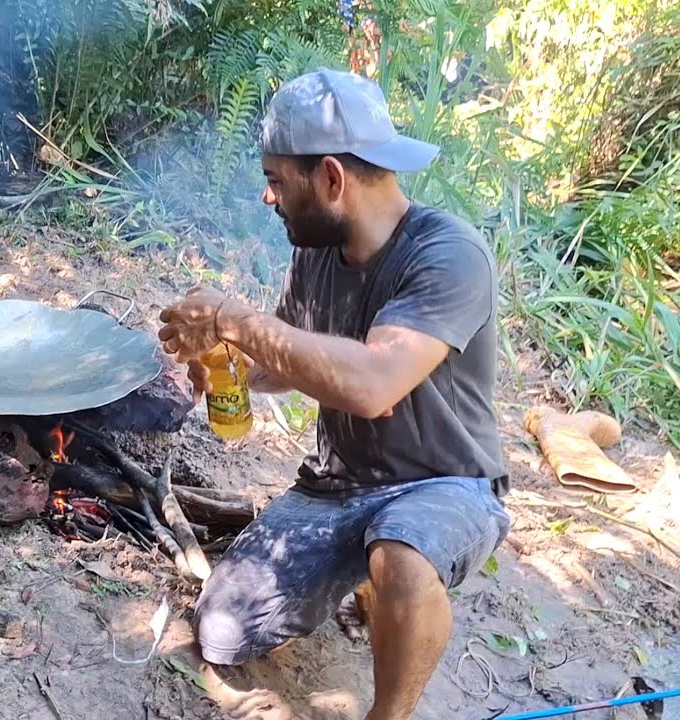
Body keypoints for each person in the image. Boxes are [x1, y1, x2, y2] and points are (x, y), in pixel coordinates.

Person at [156, 68, 511, 720]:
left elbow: (374, 382)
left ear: (330, 179)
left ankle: (390, 708)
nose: (269, 198)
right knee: (223, 632)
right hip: (337, 485)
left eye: (276, 180)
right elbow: (294, 360)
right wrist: (230, 358)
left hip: (445, 484)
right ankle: (366, 571)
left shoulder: (449, 255)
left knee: (403, 550)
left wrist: (238, 319)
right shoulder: (318, 252)